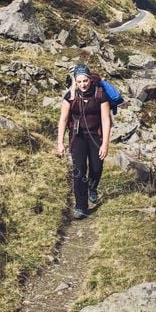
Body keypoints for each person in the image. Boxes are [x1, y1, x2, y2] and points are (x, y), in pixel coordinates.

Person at [56, 64, 111, 219]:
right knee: (79, 170)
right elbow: (63, 119)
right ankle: (81, 206)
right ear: (75, 81)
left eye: (85, 81)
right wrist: (60, 142)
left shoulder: (100, 95)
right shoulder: (70, 96)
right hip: (77, 136)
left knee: (97, 167)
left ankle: (92, 188)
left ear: (89, 79)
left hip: (95, 136)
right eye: (79, 82)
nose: (82, 85)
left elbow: (106, 121)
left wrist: (105, 143)